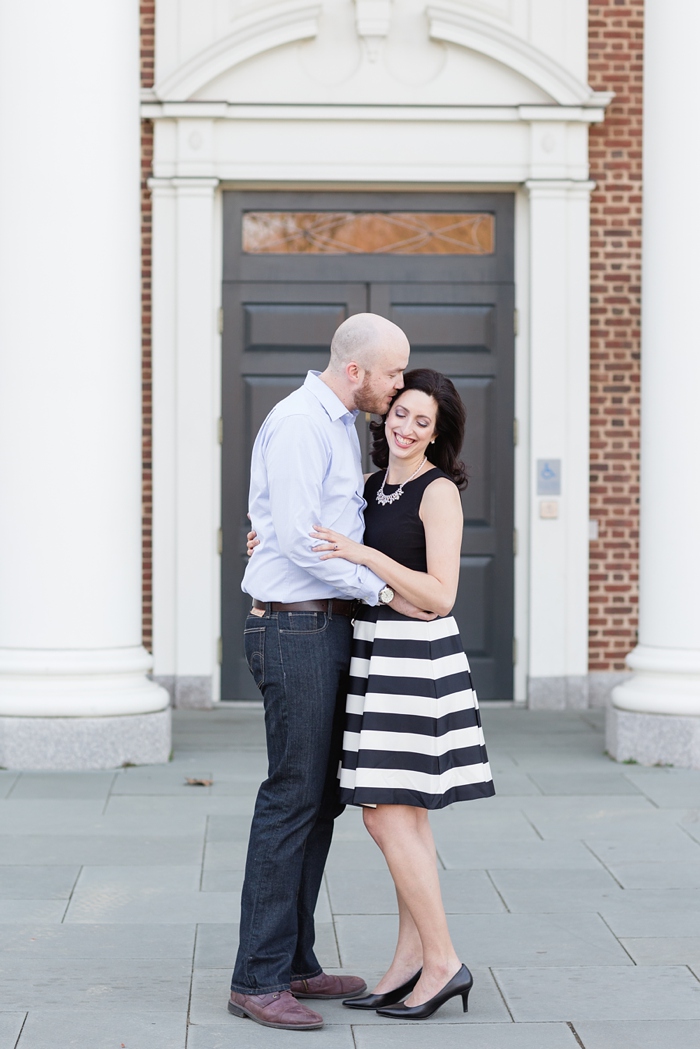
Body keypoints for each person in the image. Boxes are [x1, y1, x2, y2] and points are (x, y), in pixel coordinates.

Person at [229, 313, 434, 1032]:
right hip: (294, 625)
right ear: (357, 370)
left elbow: (299, 524)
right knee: (291, 798)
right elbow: (292, 536)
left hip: (324, 621)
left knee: (320, 801)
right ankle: (256, 976)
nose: (400, 384)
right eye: (393, 373)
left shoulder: (340, 424)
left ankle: (292, 960)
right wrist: (382, 590)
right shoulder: (299, 424)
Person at [309, 367, 495, 1020]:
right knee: (406, 815)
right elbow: (331, 553)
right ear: (384, 416)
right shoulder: (370, 486)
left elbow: (440, 594)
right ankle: (408, 960)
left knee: (383, 813)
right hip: (376, 654)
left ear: (438, 434)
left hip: (417, 663)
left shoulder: (436, 490)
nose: (407, 427)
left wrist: (367, 557)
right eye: (402, 413)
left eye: (424, 421)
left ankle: (443, 959)